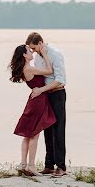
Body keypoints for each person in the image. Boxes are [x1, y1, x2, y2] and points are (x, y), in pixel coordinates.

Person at [9, 44, 56, 176]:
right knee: (34, 134)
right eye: (29, 51)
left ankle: (23, 164)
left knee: (28, 134)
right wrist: (45, 54)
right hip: (38, 101)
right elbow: (49, 70)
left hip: (34, 100)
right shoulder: (29, 68)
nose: (32, 53)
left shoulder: (26, 68)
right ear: (24, 55)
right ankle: (31, 166)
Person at [26, 32, 67, 177]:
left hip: (57, 94)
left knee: (58, 129)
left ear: (41, 43)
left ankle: (61, 167)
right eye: (31, 49)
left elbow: (60, 80)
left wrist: (41, 90)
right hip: (44, 96)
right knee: (46, 129)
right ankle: (49, 165)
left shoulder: (56, 54)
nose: (33, 51)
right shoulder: (37, 58)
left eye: (34, 48)